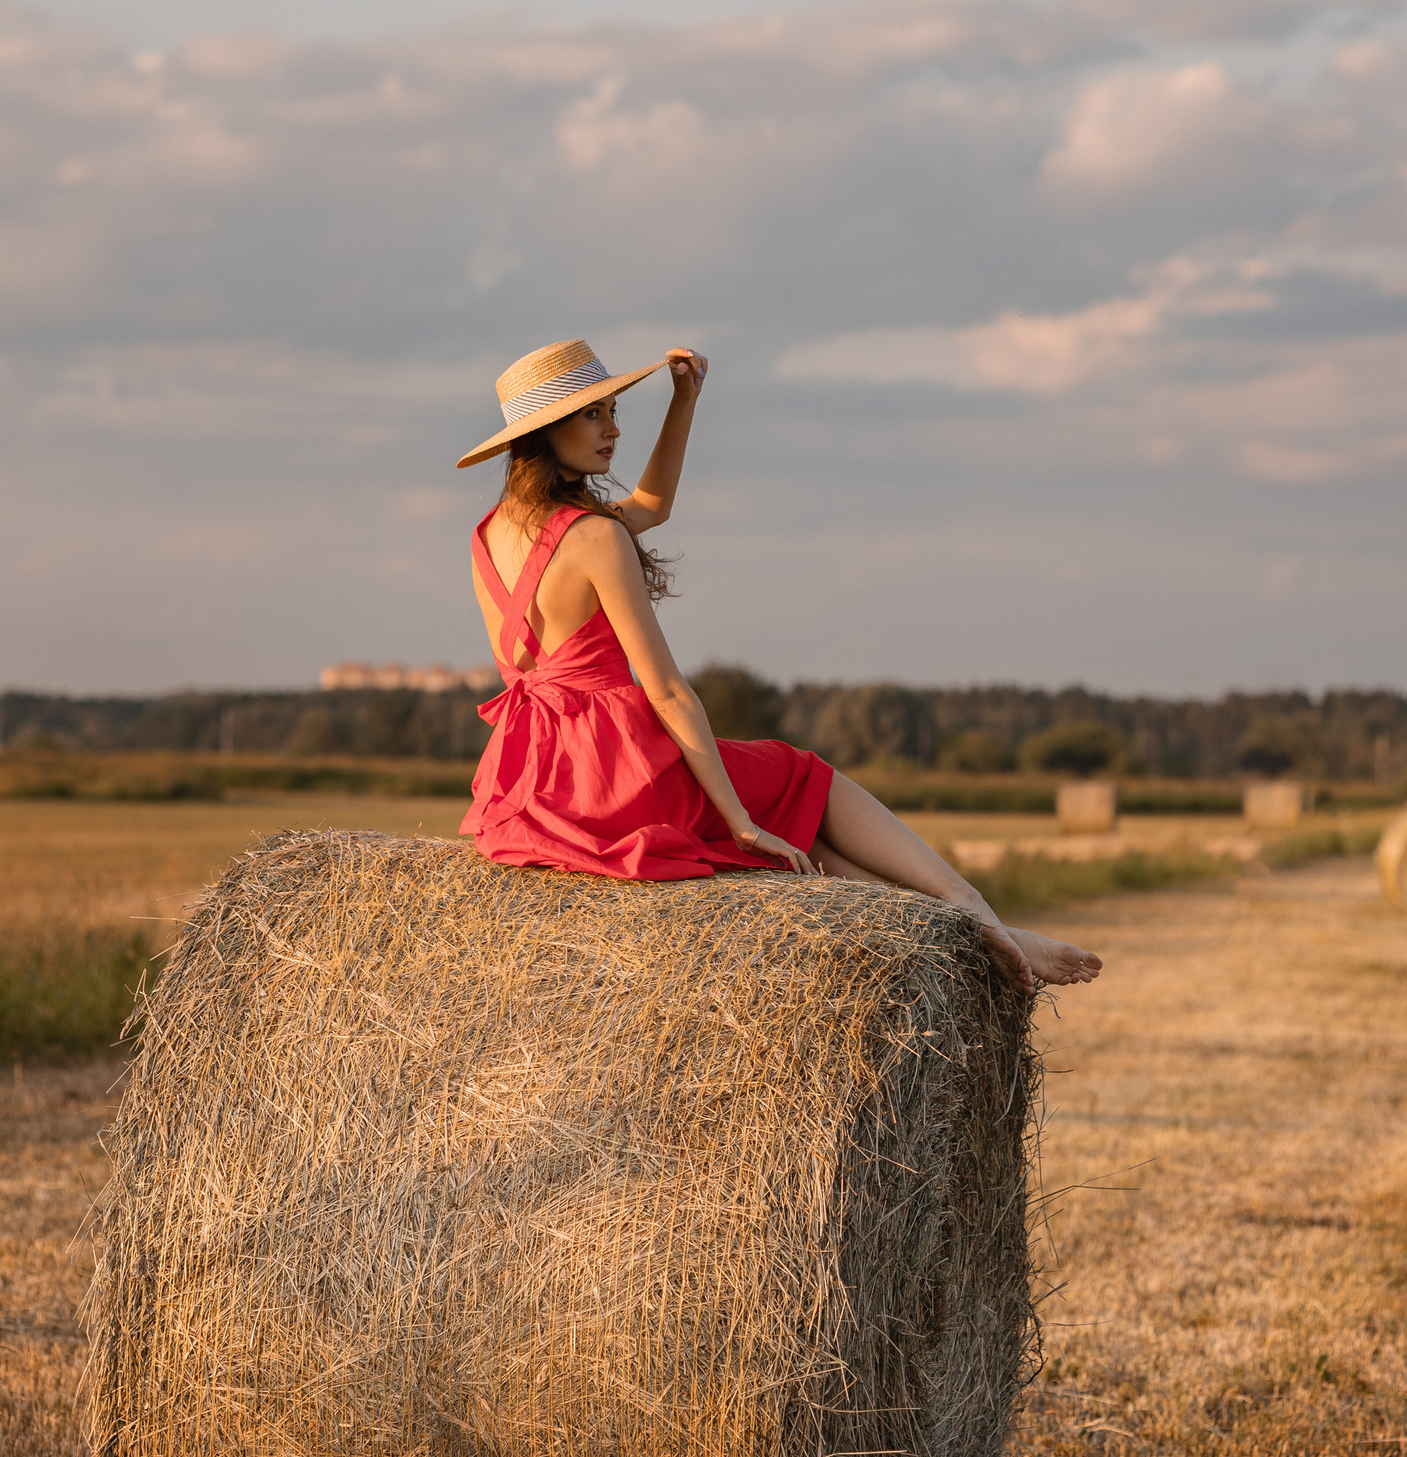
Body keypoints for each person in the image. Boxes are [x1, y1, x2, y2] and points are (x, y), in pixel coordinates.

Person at [455, 338, 1101, 992]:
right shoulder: (594, 537)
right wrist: (739, 817)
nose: (615, 429)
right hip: (620, 776)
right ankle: (968, 905)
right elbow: (670, 693)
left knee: (803, 850)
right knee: (797, 777)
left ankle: (964, 934)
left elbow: (650, 509)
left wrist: (684, 402)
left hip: (540, 783)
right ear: (545, 431)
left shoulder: (487, 537)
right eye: (594, 414)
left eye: (614, 410)